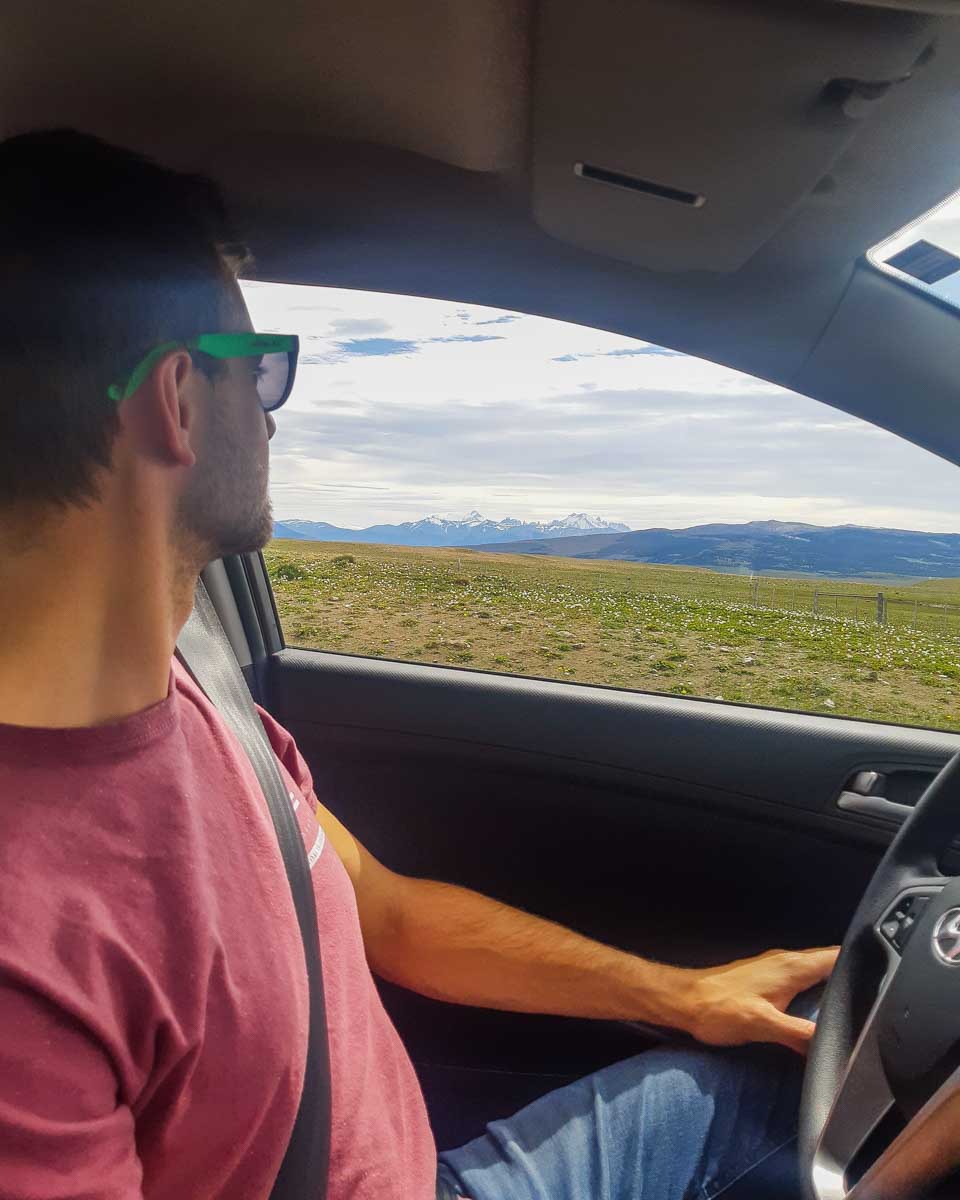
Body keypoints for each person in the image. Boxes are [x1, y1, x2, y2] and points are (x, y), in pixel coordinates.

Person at [0, 129, 836, 1200]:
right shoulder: (28, 943)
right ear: (175, 400)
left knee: (792, 1079)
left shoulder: (194, 690)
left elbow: (384, 913)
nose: (269, 413)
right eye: (259, 370)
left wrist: (682, 994)